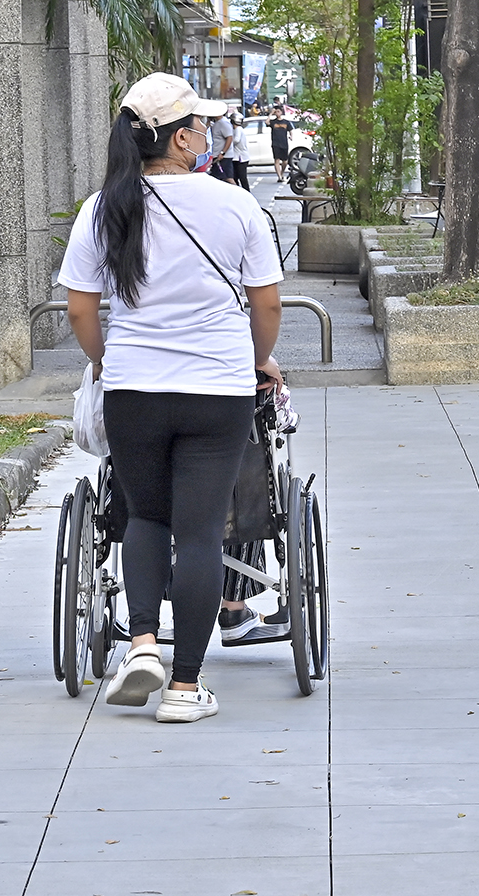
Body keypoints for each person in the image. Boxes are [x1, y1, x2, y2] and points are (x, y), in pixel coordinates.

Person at [57, 72, 284, 723]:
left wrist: (108, 361)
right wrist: (254, 358)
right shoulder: (235, 205)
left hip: (135, 390)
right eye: (201, 125)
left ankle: (144, 644)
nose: (207, 134)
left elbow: (79, 309)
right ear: (181, 138)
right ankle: (185, 689)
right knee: (202, 532)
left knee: (147, 519)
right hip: (216, 390)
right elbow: (265, 303)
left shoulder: (105, 207)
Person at [268, 105, 293, 183]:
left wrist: (291, 136)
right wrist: (271, 114)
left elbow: (291, 130)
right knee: (277, 160)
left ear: (281, 112)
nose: (277, 113)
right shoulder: (273, 122)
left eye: (278, 111)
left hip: (284, 143)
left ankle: (282, 173)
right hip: (276, 143)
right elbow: (267, 122)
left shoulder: (286, 122)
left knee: (285, 161)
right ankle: (279, 176)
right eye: (276, 112)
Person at [209, 112, 235, 183]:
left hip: (223, 157)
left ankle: (238, 192)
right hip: (216, 155)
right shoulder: (217, 123)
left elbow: (229, 138)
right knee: (218, 177)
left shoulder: (224, 123)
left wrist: (222, 153)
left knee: (228, 177)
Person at [229, 112, 251, 191]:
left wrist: (228, 142)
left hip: (241, 157)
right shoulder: (236, 129)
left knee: (242, 177)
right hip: (237, 157)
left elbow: (236, 140)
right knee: (236, 177)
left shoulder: (238, 129)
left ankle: (246, 192)